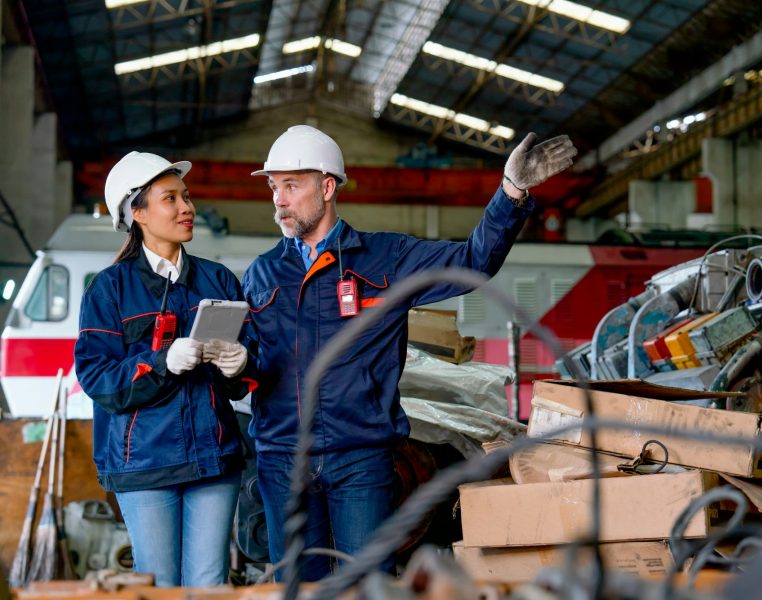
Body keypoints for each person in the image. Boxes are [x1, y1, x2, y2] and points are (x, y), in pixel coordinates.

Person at [242, 125, 576, 580]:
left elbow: (471, 262)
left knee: (371, 584)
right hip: (284, 460)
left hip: (360, 456)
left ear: (326, 187)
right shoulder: (261, 274)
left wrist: (510, 192)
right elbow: (253, 365)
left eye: (291, 185)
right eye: (273, 186)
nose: (278, 199)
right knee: (297, 586)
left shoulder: (385, 258)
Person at [74, 151, 257, 587]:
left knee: (209, 583)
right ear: (137, 212)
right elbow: (97, 377)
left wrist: (240, 364)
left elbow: (243, 378)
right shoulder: (110, 288)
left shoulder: (218, 280)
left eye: (186, 196)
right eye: (170, 199)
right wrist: (161, 362)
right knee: (158, 585)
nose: (186, 208)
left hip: (214, 459)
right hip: (144, 465)